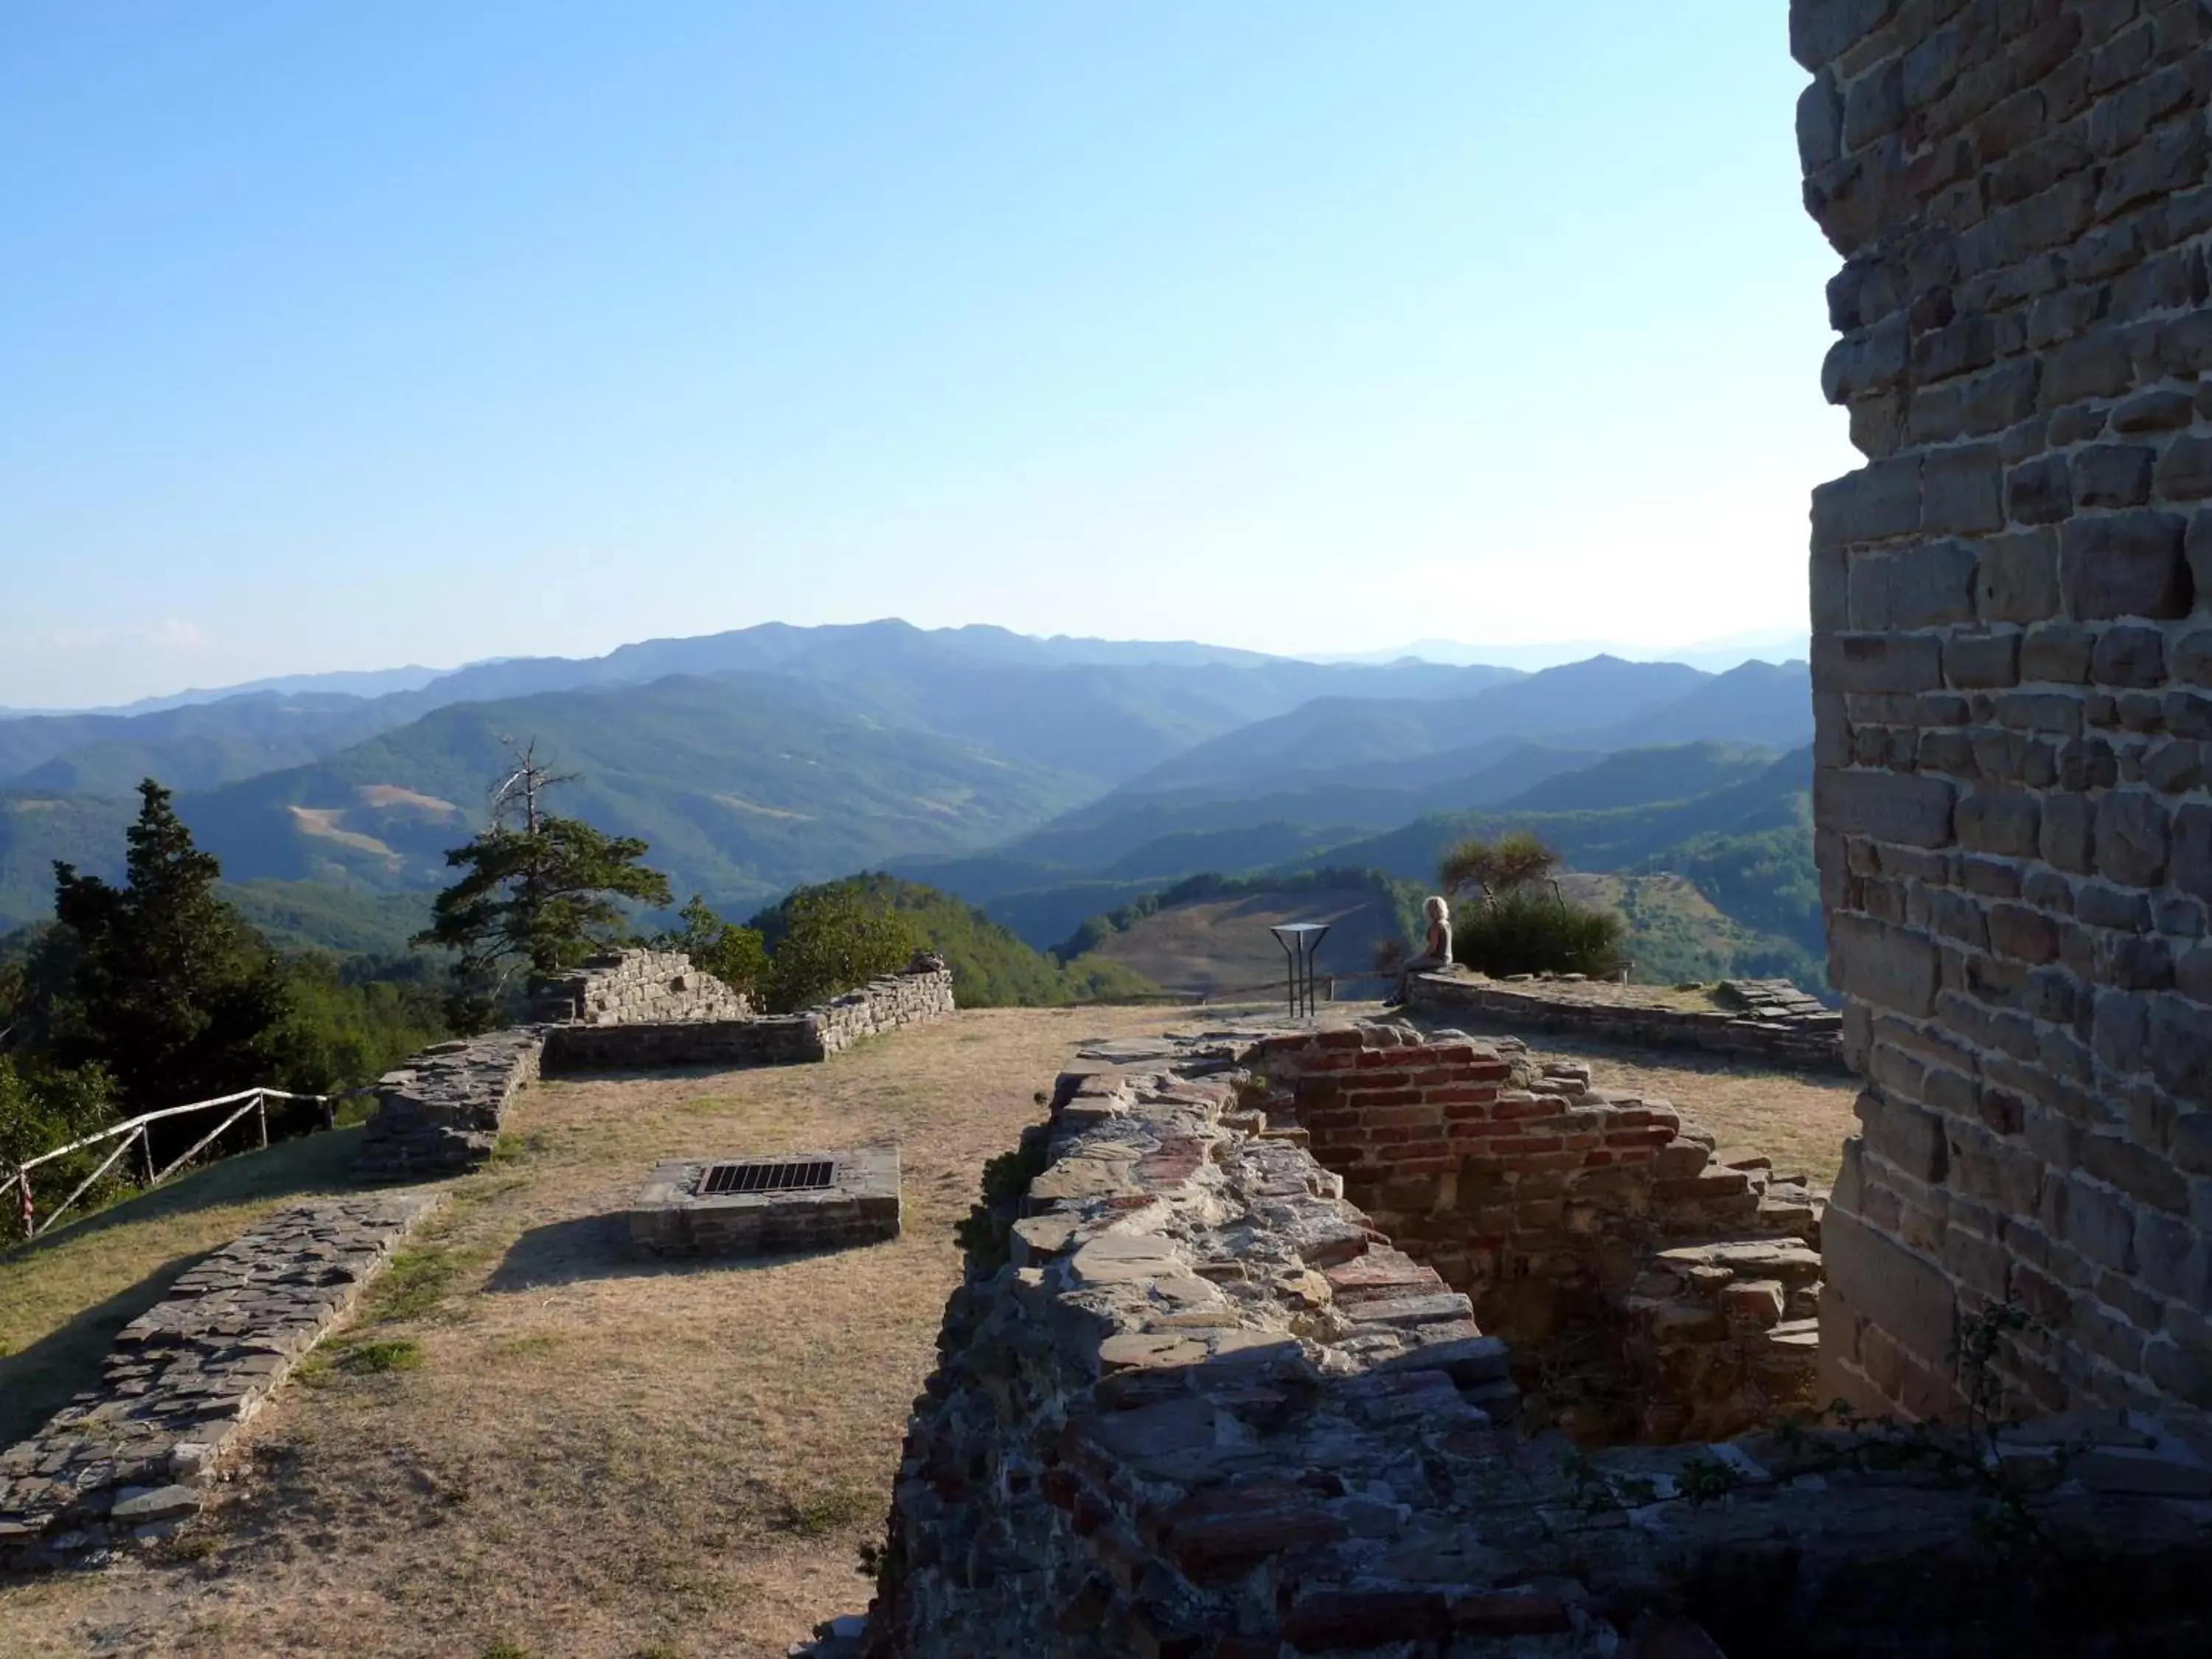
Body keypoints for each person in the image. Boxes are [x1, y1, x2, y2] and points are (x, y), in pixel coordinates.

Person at [1385, 895, 1452, 1006]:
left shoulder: (1436, 926)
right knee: (1410, 964)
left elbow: (1432, 948)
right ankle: (1401, 995)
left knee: (1406, 966)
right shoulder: (1446, 923)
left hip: (1438, 959)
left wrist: (1422, 957)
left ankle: (1397, 996)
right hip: (1447, 958)